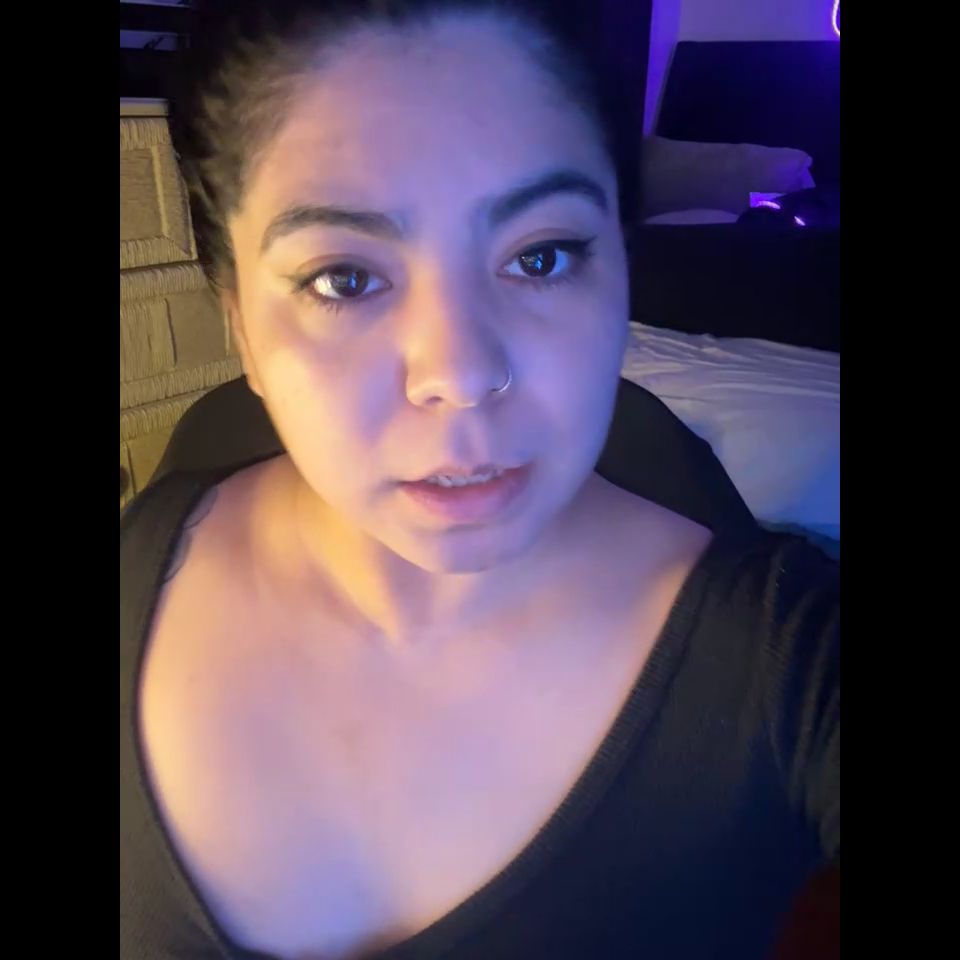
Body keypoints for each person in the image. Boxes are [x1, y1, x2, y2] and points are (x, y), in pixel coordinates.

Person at [120, 2, 839, 958]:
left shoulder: (793, 662)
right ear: (240, 323)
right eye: (344, 278)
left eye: (541, 257)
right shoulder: (137, 566)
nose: (460, 372)